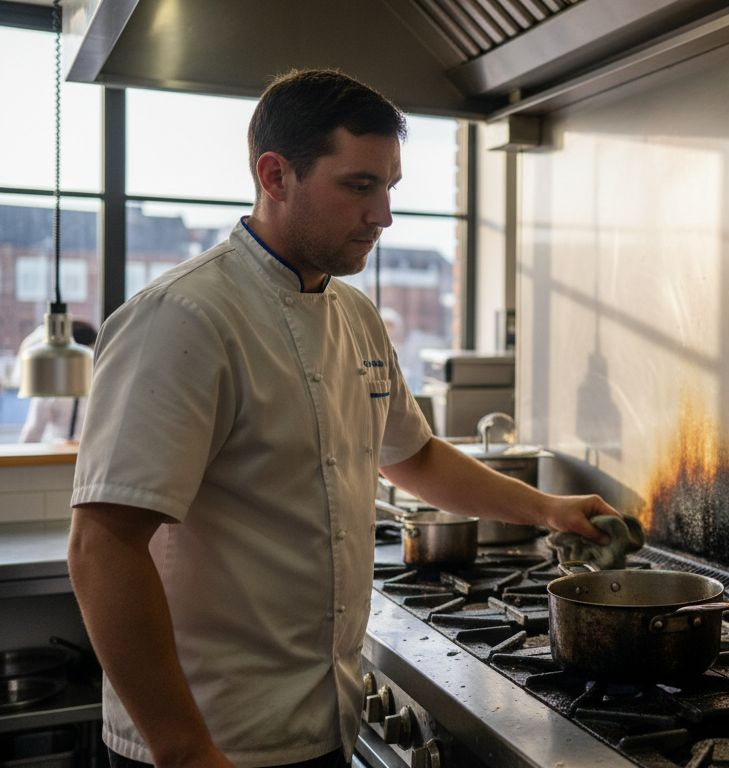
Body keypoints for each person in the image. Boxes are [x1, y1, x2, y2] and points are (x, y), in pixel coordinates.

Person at [67, 69, 613, 768]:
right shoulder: (185, 319)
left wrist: (549, 510)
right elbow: (102, 545)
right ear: (275, 176)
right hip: (213, 735)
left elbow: (412, 456)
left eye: (390, 188)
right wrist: (182, 746)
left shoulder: (354, 314)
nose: (383, 215)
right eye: (360, 186)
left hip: (324, 717)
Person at [19, 320, 96, 443]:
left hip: (62, 457)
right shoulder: (99, 383)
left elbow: (32, 434)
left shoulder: (51, 385)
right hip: (90, 455)